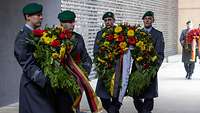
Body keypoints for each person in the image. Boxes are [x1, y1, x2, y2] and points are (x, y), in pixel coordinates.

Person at [14, 3, 57, 113]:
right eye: (38, 15)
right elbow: (27, 64)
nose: (41, 17)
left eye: (41, 14)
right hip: (33, 85)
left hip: (43, 85)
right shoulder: (23, 37)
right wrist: (46, 79)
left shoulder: (37, 34)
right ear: (28, 17)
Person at [57, 10, 93, 113]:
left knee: (74, 108)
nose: (73, 24)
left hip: (77, 80)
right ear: (61, 23)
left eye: (73, 21)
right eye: (69, 22)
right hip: (61, 83)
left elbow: (86, 57)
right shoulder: (54, 37)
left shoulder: (78, 38)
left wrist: (84, 72)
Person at [131, 11, 165, 113]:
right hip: (137, 69)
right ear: (143, 20)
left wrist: (154, 69)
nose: (147, 20)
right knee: (136, 96)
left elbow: (160, 54)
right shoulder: (136, 33)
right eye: (145, 18)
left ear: (153, 20)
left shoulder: (158, 34)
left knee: (149, 96)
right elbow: (132, 50)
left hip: (150, 69)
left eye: (149, 18)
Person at [93, 12, 122, 113]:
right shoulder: (100, 34)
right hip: (104, 69)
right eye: (106, 20)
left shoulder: (119, 33)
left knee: (116, 95)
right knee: (103, 95)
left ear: (114, 20)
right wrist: (100, 62)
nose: (108, 22)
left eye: (110, 20)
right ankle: (111, 110)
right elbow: (95, 51)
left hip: (116, 69)